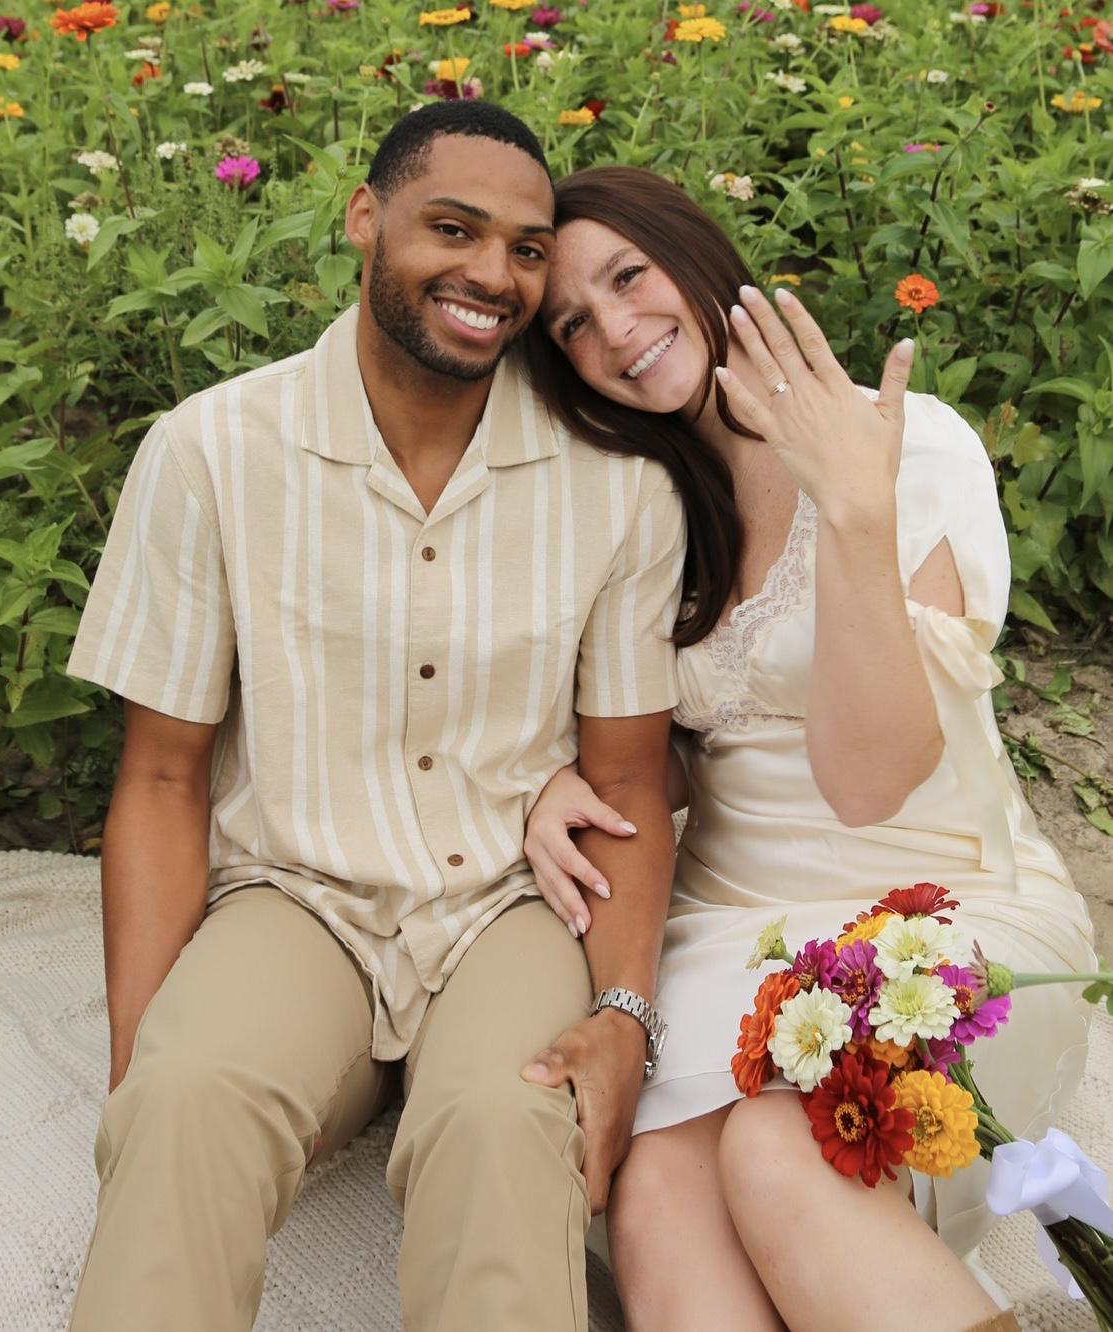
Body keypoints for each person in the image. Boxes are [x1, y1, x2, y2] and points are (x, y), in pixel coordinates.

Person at [63, 108, 692, 1332]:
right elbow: (160, 778)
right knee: (190, 1098)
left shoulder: (615, 490)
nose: (488, 276)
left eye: (522, 249)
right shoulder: (211, 452)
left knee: (509, 1121)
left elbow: (625, 781)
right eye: (450, 231)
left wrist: (621, 1016)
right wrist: (142, 1060)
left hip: (515, 901)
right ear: (365, 219)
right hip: (294, 890)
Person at [521, 165, 1098, 1332]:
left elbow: (870, 773)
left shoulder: (900, 445)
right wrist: (555, 787)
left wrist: (855, 513)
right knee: (658, 1197)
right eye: (573, 324)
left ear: (692, 257)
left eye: (628, 278)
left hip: (935, 904)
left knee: (785, 1151)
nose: (614, 332)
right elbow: (698, 741)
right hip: (733, 920)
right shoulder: (650, 506)